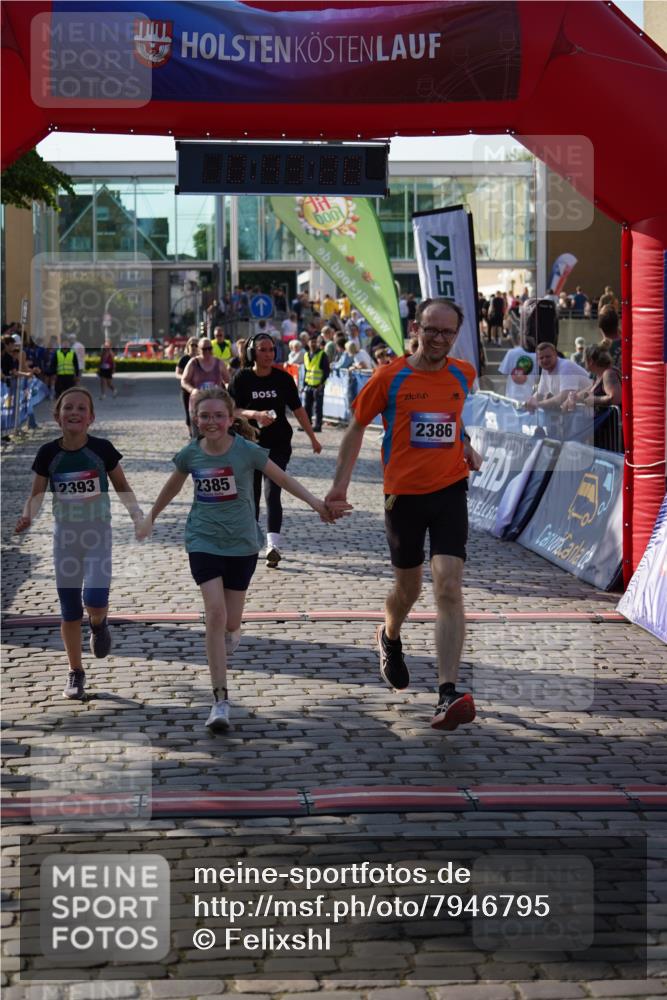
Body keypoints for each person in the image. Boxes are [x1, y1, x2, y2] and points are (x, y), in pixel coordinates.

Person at [136, 388, 348, 733]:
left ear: (232, 418)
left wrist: (317, 505)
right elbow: (171, 488)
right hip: (202, 540)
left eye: (219, 415)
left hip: (242, 545)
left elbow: (283, 479)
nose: (211, 422)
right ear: (195, 419)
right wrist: (150, 518)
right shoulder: (191, 453)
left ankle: (233, 632)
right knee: (214, 615)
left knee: (230, 622)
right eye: (205, 416)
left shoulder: (247, 451)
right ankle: (220, 700)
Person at [325, 298, 483, 732]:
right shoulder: (389, 377)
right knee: (407, 591)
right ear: (416, 328)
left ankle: (446, 693)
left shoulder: (462, 374)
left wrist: (465, 443)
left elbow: (449, 417)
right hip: (403, 498)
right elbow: (357, 426)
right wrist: (339, 485)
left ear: (456, 335)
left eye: (447, 333)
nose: (438, 339)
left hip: (450, 490)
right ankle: (389, 635)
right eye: (431, 330)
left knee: (449, 586)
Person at [15, 388, 143, 700]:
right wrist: (27, 517)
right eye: (67, 407)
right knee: (70, 610)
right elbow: (37, 493)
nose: (74, 412)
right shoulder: (48, 453)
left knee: (95, 600)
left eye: (81, 408)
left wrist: (139, 516)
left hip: (98, 534)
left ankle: (99, 626)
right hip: (65, 538)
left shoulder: (102, 449)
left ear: (91, 417)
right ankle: (75, 672)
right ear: (57, 416)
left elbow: (122, 485)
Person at [229, 330, 322, 568]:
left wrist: (312, 437)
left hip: (278, 444)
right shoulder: (241, 379)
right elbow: (232, 411)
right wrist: (255, 414)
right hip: (249, 444)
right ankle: (250, 542)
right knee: (252, 494)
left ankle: (273, 545)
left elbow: (298, 409)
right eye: (263, 350)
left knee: (273, 492)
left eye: (271, 349)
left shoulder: (283, 379)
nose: (268, 354)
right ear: (252, 353)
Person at [181, 336, 230, 433]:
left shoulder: (219, 363)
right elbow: (184, 381)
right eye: (204, 349)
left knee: (216, 433)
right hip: (197, 405)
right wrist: (192, 390)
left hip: (216, 404)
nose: (207, 351)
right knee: (198, 435)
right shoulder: (193, 363)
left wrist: (227, 390)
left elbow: (228, 380)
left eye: (209, 348)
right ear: (199, 350)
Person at [525, 342, 591, 412]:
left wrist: (539, 404)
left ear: (555, 355)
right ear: (537, 360)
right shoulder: (545, 369)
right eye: (541, 358)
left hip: (589, 409)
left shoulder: (566, 367)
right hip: (573, 410)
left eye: (548, 356)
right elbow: (540, 394)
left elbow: (564, 396)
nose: (544, 360)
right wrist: (529, 402)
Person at [303, 329, 330, 433]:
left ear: (318, 343)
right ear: (308, 343)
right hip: (308, 385)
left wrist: (321, 384)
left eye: (315, 342)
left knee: (318, 408)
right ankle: (308, 425)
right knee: (307, 407)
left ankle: (318, 426)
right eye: (311, 341)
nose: (313, 344)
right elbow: (306, 371)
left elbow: (326, 371)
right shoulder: (306, 355)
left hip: (318, 386)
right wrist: (304, 384)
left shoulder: (322, 354)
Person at [498, 337, 538, 403]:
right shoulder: (539, 357)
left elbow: (504, 373)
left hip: (511, 396)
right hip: (530, 399)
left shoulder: (511, 352)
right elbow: (539, 379)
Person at [176, 337, 200, 431]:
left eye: (196, 345)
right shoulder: (184, 359)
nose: (194, 347)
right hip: (187, 390)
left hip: (200, 389)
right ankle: (191, 434)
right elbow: (177, 373)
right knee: (189, 412)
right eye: (192, 345)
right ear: (188, 346)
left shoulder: (201, 359)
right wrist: (185, 379)